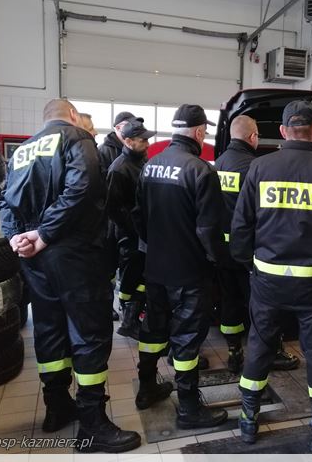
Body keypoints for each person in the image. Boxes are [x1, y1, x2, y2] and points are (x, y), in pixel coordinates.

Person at [0, 99, 141, 453]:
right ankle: (93, 425)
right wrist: (46, 234)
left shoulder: (22, 151)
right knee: (90, 332)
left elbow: (5, 201)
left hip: (33, 257)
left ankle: (57, 406)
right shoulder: (76, 139)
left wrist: (17, 237)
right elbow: (82, 189)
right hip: (74, 253)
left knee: (49, 328)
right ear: (73, 115)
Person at [230, 100, 312, 453]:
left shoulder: (259, 168)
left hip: (268, 281)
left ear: (284, 131)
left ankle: (248, 420)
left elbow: (241, 226)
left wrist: (248, 264)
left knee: (259, 346)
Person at [133, 104, 228, 428]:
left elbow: (139, 217)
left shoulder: (150, 166)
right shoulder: (201, 171)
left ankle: (147, 387)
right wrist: (218, 260)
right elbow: (208, 230)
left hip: (156, 267)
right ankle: (188, 409)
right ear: (199, 132)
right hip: (189, 272)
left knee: (153, 331)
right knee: (187, 339)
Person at [214, 114, 300, 373]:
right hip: (249, 250)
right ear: (253, 137)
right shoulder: (254, 167)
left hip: (221, 249)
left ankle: (234, 352)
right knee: (260, 305)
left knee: (229, 301)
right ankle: (268, 353)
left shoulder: (217, 164)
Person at [107, 120, 156, 340]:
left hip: (142, 233)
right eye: (143, 140)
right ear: (128, 141)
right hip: (129, 236)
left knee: (142, 277)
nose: (148, 143)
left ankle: (133, 317)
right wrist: (134, 230)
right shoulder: (119, 168)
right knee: (131, 279)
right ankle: (128, 321)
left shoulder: (142, 161)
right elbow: (113, 208)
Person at [99, 111, 145, 321]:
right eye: (142, 139)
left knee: (132, 269)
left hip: (133, 226)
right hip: (118, 227)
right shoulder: (109, 156)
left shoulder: (139, 157)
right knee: (112, 269)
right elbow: (111, 202)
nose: (146, 143)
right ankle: (111, 307)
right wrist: (129, 226)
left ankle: (131, 308)